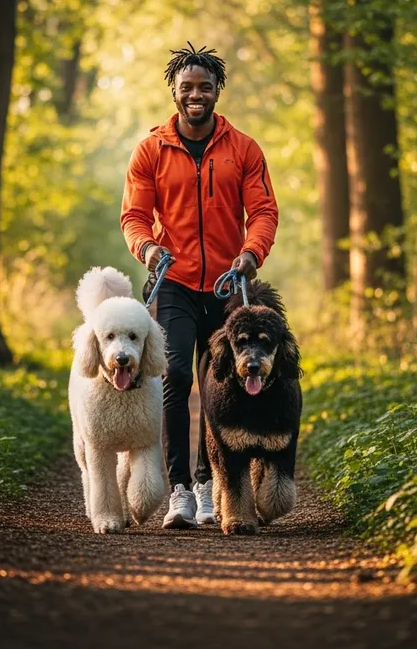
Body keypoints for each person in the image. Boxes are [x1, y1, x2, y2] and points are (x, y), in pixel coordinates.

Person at [120, 43, 279, 528]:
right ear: (174, 91)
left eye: (204, 87)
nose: (195, 95)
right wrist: (148, 249)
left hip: (229, 286)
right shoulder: (151, 149)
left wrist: (251, 255)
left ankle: (209, 484)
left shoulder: (244, 149)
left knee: (219, 384)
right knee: (176, 377)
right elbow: (134, 217)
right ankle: (180, 493)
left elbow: (264, 212)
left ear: (216, 92)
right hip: (175, 282)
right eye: (186, 87)